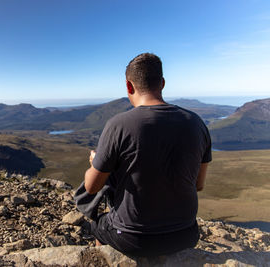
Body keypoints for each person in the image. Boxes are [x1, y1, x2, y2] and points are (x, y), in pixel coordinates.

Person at [83, 53, 211, 257]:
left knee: (98, 224)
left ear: (129, 86)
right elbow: (198, 185)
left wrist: (94, 163)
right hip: (186, 234)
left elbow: (92, 187)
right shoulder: (196, 123)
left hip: (132, 239)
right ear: (162, 83)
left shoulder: (119, 125)